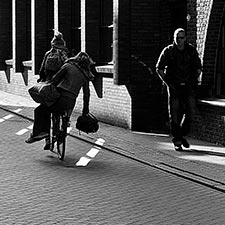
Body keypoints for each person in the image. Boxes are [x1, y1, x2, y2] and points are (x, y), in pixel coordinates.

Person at [25, 52, 95, 148]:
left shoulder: (68, 66)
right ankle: (63, 131)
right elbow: (86, 94)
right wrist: (85, 110)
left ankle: (40, 133)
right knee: (65, 117)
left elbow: (55, 79)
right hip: (71, 103)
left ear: (76, 58)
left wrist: (48, 85)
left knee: (40, 110)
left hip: (60, 98)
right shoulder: (86, 74)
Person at [156, 28, 202, 151]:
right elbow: (159, 68)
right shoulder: (168, 51)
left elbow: (198, 67)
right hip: (174, 86)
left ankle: (181, 136)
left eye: (181, 37)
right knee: (174, 114)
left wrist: (193, 80)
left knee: (191, 112)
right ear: (174, 38)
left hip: (188, 85)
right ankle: (177, 140)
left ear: (185, 38)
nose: (179, 40)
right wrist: (168, 83)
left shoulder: (191, 50)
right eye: (177, 37)